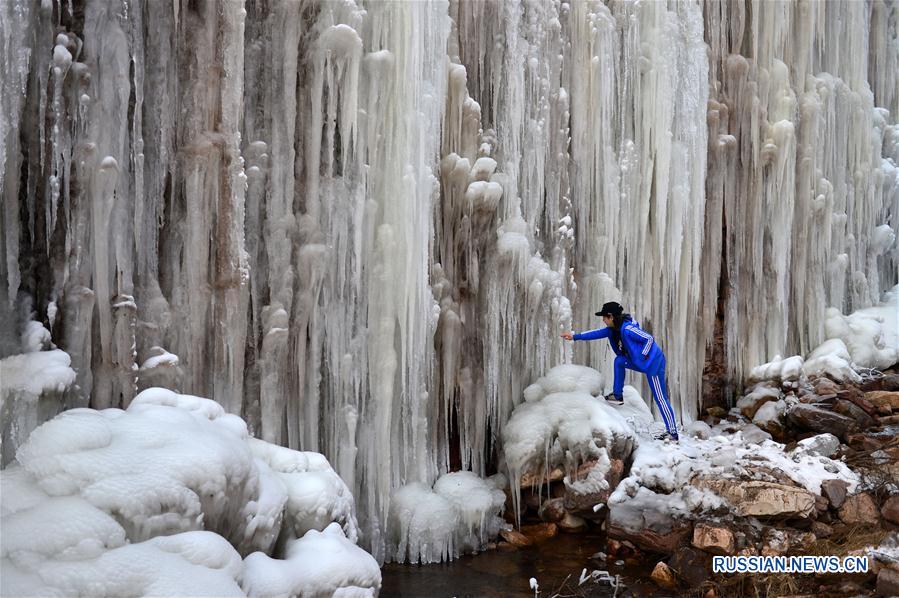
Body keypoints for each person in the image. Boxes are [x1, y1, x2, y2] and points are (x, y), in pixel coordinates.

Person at [561, 301, 679, 441]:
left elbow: (648, 339)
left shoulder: (628, 328)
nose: (603, 320)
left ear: (611, 317)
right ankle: (618, 395)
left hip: (653, 363)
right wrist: (575, 336)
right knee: (619, 361)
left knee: (660, 398)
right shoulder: (612, 330)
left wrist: (642, 356)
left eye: (604, 317)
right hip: (639, 362)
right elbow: (595, 333)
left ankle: (673, 433)